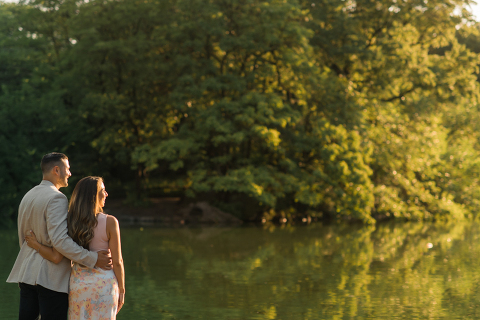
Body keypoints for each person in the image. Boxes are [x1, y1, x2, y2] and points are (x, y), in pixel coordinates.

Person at [6, 152, 112, 320]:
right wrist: (92, 258)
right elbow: (61, 241)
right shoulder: (57, 198)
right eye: (67, 169)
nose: (70, 173)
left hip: (26, 275)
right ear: (57, 170)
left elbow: (23, 238)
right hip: (50, 279)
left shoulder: (28, 196)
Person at [25, 176, 125, 319]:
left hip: (78, 287)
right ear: (93, 196)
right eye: (103, 190)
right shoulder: (110, 222)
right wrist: (122, 289)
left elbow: (60, 248)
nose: (107, 194)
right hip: (105, 286)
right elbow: (117, 262)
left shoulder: (69, 222)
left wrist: (36, 244)